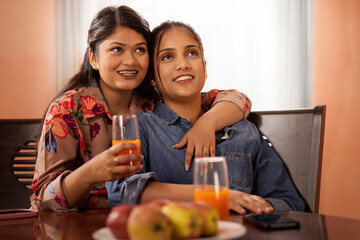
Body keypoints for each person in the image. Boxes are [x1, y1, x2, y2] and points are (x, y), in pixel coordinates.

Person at [31, 6, 252, 211]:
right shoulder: (66, 109)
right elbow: (44, 198)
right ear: (94, 58)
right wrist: (90, 172)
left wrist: (207, 122)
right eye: (117, 49)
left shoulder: (152, 100)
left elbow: (237, 99)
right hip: (76, 225)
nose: (130, 61)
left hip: (139, 222)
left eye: (139, 50)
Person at [106, 21, 304, 214]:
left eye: (192, 53)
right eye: (167, 57)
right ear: (152, 77)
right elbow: (120, 190)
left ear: (204, 67)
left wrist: (246, 208)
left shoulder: (243, 130)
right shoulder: (140, 128)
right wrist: (213, 197)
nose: (183, 64)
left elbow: (289, 203)